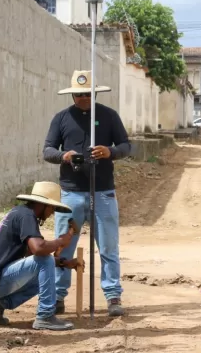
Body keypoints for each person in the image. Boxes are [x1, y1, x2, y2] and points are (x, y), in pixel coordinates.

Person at [43, 70, 131, 317]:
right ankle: (58, 296)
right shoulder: (61, 118)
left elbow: (126, 145)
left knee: (108, 246)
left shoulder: (109, 116)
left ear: (94, 93)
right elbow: (47, 150)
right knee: (63, 245)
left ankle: (113, 296)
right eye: (77, 94)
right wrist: (64, 155)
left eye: (86, 93)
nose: (81, 98)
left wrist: (110, 152)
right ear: (72, 95)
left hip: (103, 192)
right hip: (71, 193)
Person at [0, 181, 83, 331]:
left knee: (45, 266)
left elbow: (31, 254)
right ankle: (45, 316)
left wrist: (64, 262)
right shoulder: (26, 215)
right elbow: (38, 250)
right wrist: (61, 241)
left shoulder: (20, 213)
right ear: (43, 205)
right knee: (44, 260)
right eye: (52, 208)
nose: (51, 214)